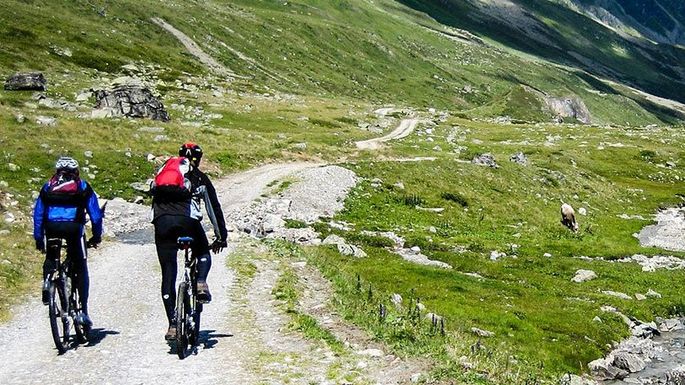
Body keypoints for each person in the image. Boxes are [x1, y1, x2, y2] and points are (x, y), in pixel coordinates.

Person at [151, 142, 228, 340]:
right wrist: (221, 237)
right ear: (199, 159)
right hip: (188, 222)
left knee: (168, 274)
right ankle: (201, 282)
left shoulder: (163, 176)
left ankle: (173, 324)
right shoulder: (200, 178)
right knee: (202, 251)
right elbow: (213, 208)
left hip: (162, 223)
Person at [33, 156, 103, 327]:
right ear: (76, 171)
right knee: (80, 266)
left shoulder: (48, 186)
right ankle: (83, 312)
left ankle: (47, 282)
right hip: (74, 229)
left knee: (51, 257)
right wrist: (96, 236)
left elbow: (38, 214)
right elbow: (95, 215)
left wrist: (38, 238)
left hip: (51, 228)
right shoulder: (83, 187)